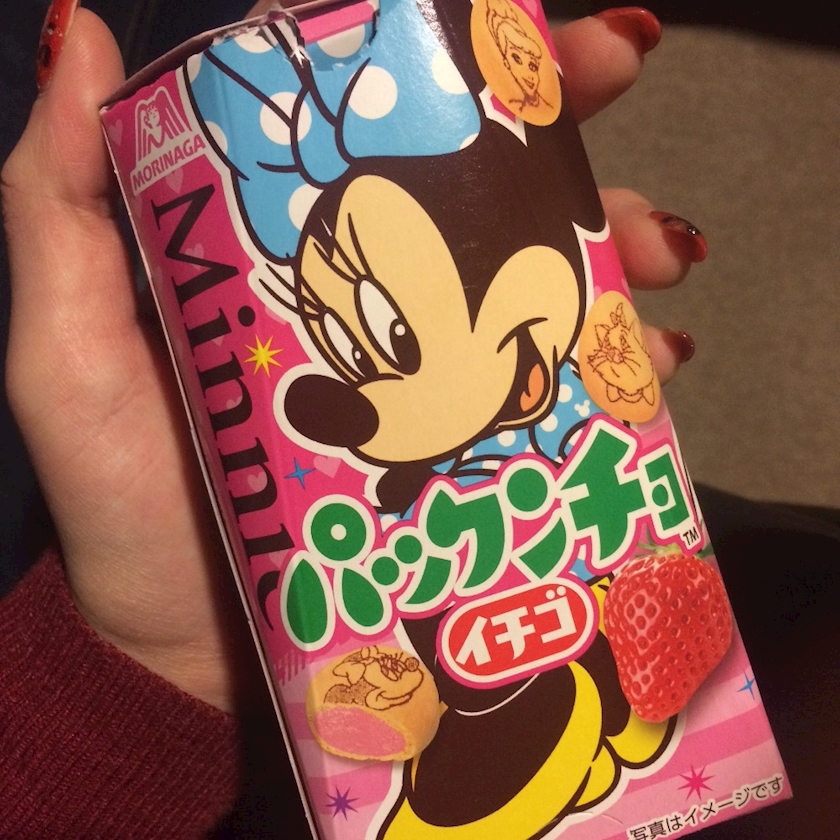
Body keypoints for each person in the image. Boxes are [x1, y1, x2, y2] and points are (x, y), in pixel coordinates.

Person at [9, 2, 807, 838]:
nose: (338, 395)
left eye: (390, 339)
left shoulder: (565, 413)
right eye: (339, 344)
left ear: (528, 309)